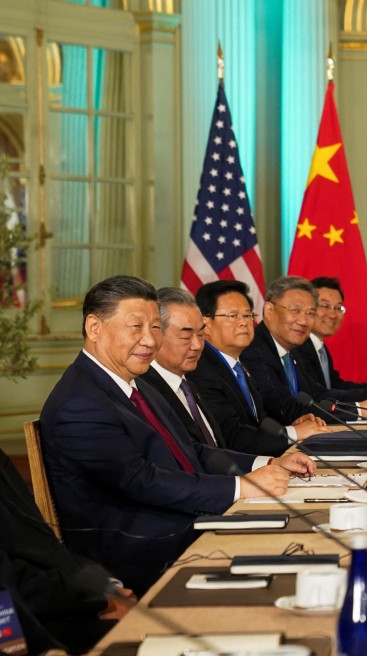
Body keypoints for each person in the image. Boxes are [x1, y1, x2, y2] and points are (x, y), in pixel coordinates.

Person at [39, 275, 316, 593]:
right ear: (94, 328)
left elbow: (192, 451)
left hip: (181, 522)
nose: (149, 340)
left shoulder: (137, 384)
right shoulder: (80, 403)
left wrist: (266, 464)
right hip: (141, 551)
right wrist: (240, 487)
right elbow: (142, 482)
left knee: (303, 532)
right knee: (292, 556)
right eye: (136, 327)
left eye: (155, 327)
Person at [0, 447, 134, 654]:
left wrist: (104, 588)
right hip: (28, 623)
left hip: (53, 602)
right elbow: (16, 583)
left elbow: (44, 546)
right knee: (142, 634)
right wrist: (100, 602)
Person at [189, 280, 330, 456]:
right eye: (233, 316)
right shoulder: (200, 369)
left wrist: (290, 427)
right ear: (206, 323)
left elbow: (259, 422)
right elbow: (231, 437)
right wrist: (294, 434)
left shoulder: (240, 366)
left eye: (248, 316)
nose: (243, 323)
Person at [241, 276, 367, 424]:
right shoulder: (255, 350)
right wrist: (361, 409)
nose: (303, 321)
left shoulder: (290, 349)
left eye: (310, 313)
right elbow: (286, 410)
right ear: (269, 310)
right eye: (295, 310)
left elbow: (317, 394)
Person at [140, 287, 226, 447]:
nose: (197, 345)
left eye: (201, 335)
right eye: (186, 336)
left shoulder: (188, 385)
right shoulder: (144, 392)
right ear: (156, 335)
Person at [295, 276, 367, 397]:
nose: (333, 315)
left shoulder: (320, 348)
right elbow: (318, 394)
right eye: (325, 306)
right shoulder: (300, 348)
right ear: (308, 309)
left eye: (338, 308)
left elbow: (335, 385)